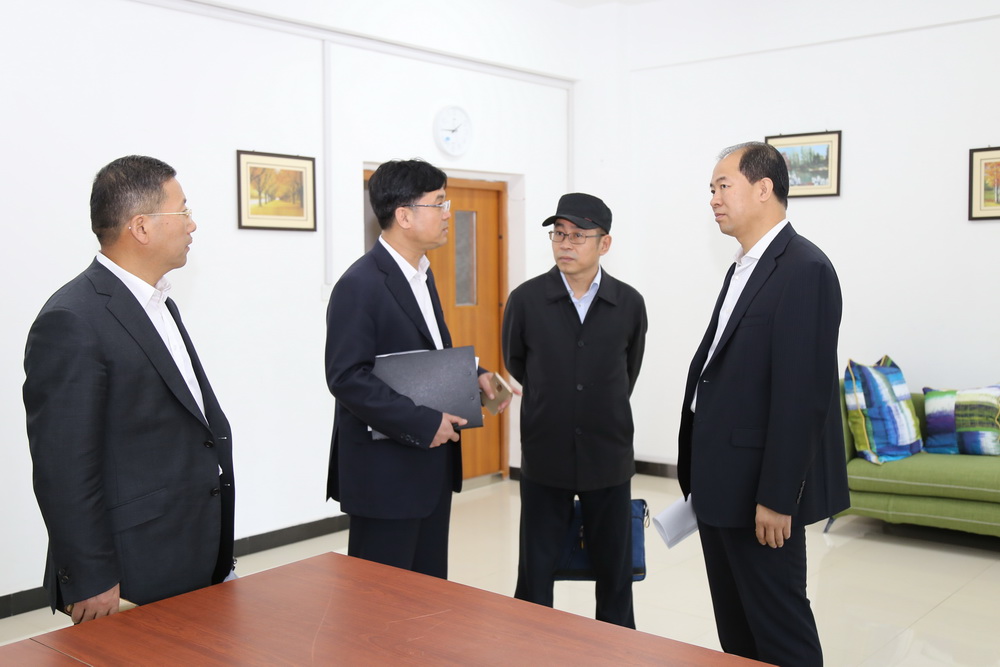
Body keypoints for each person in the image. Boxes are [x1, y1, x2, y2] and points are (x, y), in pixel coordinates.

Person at [23, 156, 235, 624]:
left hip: (188, 546)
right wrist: (89, 576)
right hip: (132, 564)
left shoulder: (159, 304)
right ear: (141, 227)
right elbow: (63, 468)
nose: (193, 224)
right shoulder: (72, 320)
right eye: (183, 211)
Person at [677, 142, 849, 665]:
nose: (713, 199)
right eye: (711, 189)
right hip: (720, 484)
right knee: (738, 633)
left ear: (763, 188)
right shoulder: (743, 268)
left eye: (722, 186)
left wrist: (777, 497)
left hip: (760, 494)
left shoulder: (804, 269)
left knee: (781, 631)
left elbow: (802, 396)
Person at [325, 158, 510, 579]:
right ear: (404, 216)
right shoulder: (360, 285)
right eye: (438, 203)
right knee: (382, 601)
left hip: (428, 471)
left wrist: (476, 374)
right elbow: (347, 378)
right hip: (386, 476)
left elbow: (426, 353)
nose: (447, 214)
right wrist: (423, 423)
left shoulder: (421, 275)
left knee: (427, 597)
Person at [502, 193, 647, 628]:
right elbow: (517, 362)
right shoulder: (526, 300)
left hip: (608, 454)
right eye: (559, 234)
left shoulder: (629, 303)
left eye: (578, 235)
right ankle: (531, 646)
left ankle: (616, 648)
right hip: (546, 452)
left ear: (604, 244)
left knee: (615, 572)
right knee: (536, 570)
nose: (565, 244)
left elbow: (628, 371)